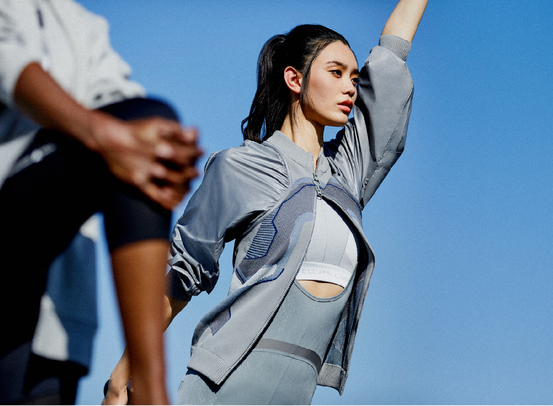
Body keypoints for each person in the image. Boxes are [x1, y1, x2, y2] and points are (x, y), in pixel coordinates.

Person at [104, 0, 427, 404]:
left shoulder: (348, 174)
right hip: (220, 385)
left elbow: (392, 57)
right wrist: (122, 375)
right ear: (294, 78)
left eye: (354, 77)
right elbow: (180, 276)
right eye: (336, 72)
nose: (350, 87)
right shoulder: (240, 167)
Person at [0, 0, 201, 404]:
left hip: (51, 308)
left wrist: (167, 148)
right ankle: (151, 393)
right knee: (142, 124)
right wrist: (98, 131)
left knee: (147, 134)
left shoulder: (81, 23)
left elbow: (120, 102)